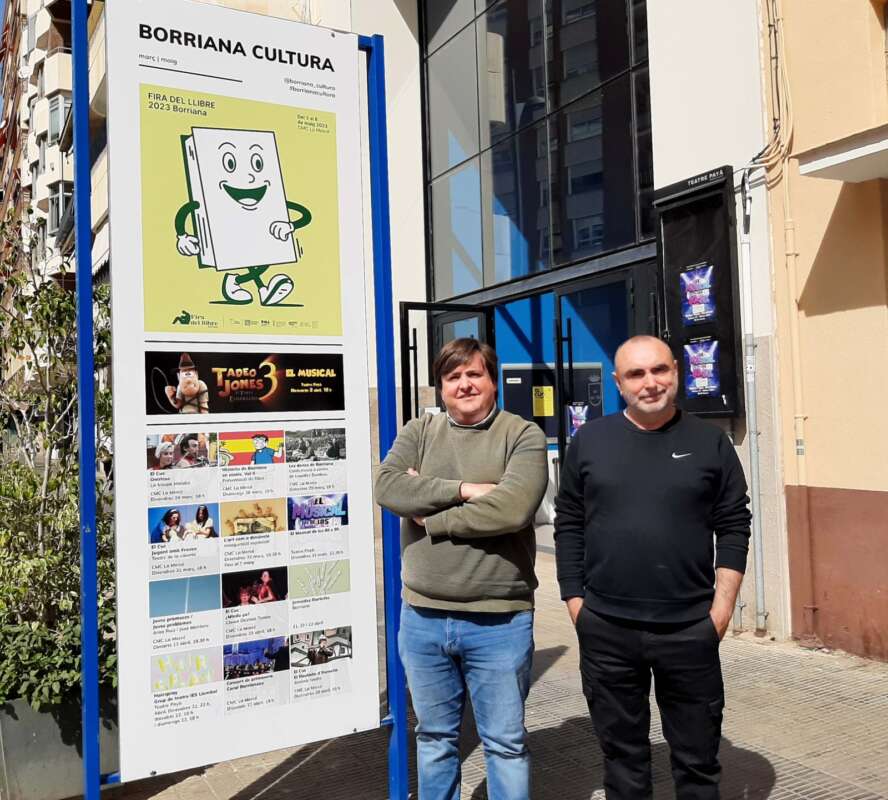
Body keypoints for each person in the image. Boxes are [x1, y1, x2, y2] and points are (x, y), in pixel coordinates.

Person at [554, 335, 751, 800]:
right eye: (636, 374)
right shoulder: (590, 441)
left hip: (689, 628)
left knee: (698, 762)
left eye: (659, 369)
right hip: (606, 628)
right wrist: (575, 601)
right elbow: (569, 522)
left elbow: (734, 524)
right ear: (619, 383)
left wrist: (721, 610)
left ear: (676, 372)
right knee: (623, 762)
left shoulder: (710, 442)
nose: (650, 382)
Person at [374, 337, 548, 800]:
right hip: (422, 618)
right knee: (434, 738)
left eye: (475, 374)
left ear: (492, 381)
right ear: (441, 387)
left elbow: (513, 509)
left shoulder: (522, 435)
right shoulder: (419, 431)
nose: (464, 384)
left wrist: (431, 516)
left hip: (499, 621)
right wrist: (468, 489)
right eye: (453, 377)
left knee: (505, 744)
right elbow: (388, 488)